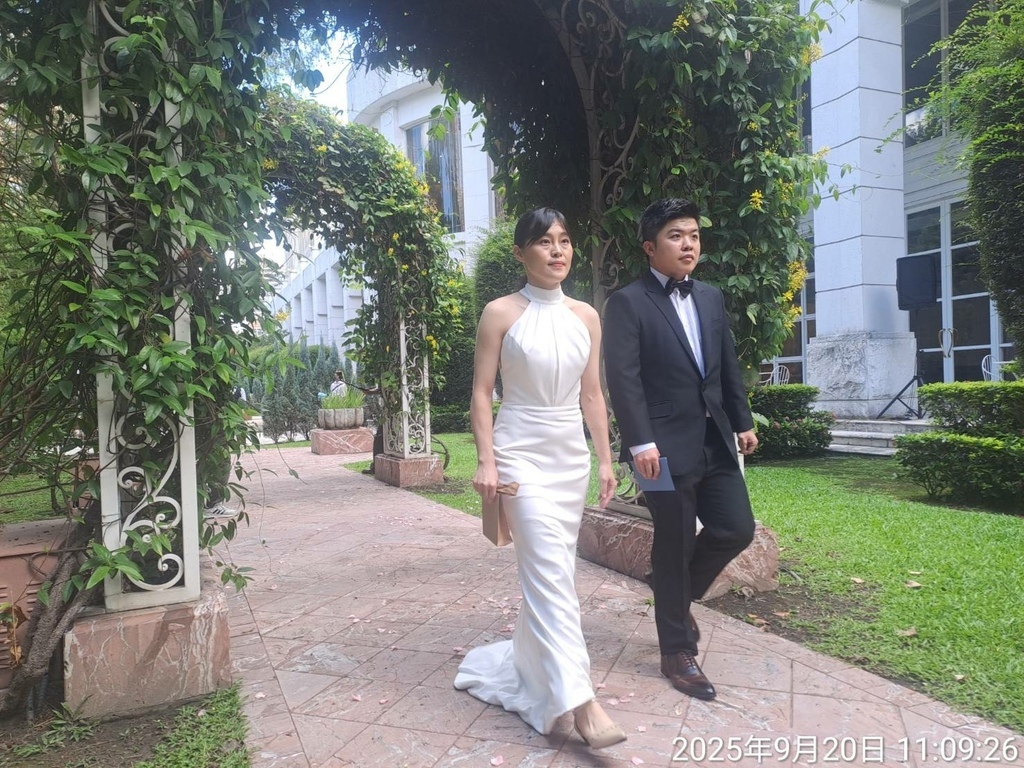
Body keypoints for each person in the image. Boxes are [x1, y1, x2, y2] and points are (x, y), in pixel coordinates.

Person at [454, 207, 626, 750]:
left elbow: (592, 394)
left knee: (552, 572)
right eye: (544, 241)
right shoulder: (500, 313)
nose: (558, 250)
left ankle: (531, 671)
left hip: (569, 456)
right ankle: (582, 702)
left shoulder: (586, 316)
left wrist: (605, 459)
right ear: (520, 252)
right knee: (550, 571)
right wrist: (486, 461)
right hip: (518, 451)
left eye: (565, 240)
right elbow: (482, 392)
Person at [602, 197, 758, 702]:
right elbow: (623, 379)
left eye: (693, 235)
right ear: (650, 247)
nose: (688, 244)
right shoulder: (627, 303)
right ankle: (676, 650)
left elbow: (725, 364)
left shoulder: (710, 297)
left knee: (736, 528)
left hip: (713, 438)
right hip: (659, 450)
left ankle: (672, 591)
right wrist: (640, 442)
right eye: (675, 236)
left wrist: (742, 421)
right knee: (674, 541)